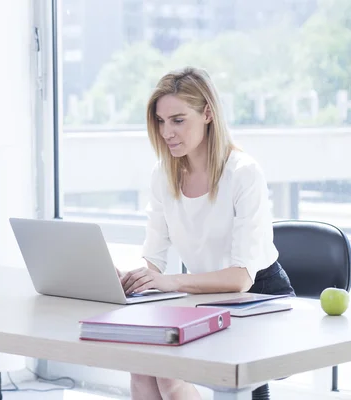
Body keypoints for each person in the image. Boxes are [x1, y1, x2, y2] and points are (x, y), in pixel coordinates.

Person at [118, 67, 295, 400]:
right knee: (141, 365)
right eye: (161, 121)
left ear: (208, 114)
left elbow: (241, 278)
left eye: (178, 120)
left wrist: (168, 282)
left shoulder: (243, 173)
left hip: (259, 299)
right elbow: (154, 257)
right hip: (203, 298)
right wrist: (136, 278)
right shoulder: (163, 174)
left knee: (170, 378)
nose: (167, 132)